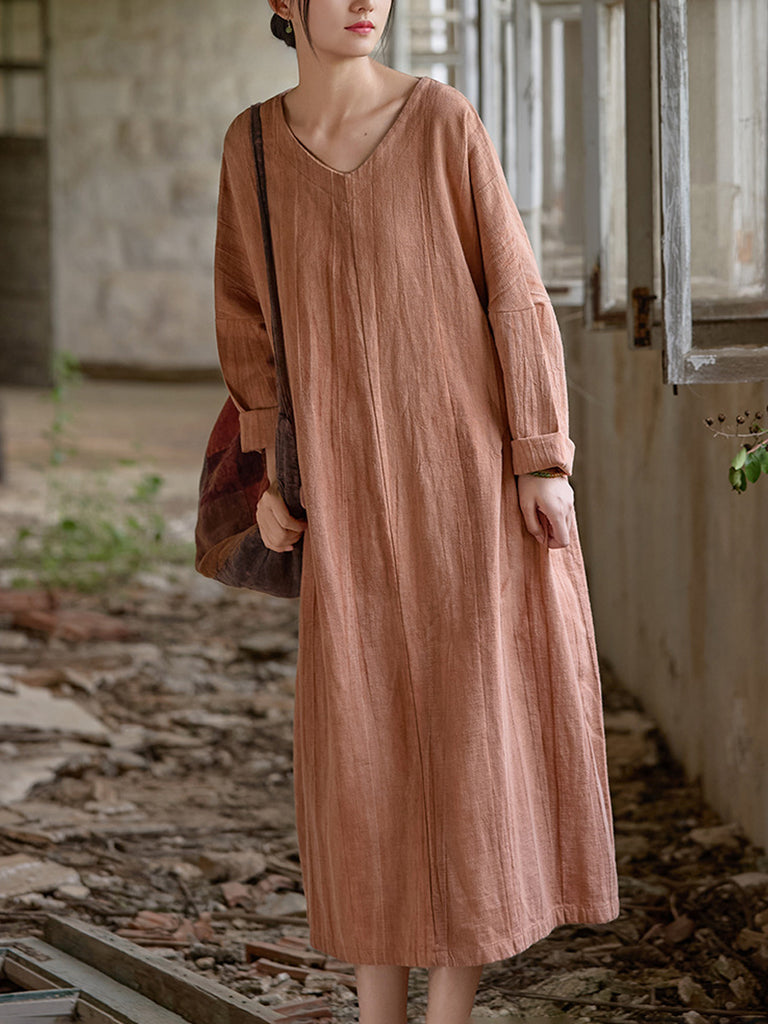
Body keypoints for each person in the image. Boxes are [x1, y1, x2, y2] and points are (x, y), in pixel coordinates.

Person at [212, 0, 621, 1020]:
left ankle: (448, 1014)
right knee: (363, 747)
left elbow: (515, 291)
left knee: (472, 734)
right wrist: (269, 480)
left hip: (465, 485)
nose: (368, 1)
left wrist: (540, 456)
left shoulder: (442, 120)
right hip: (342, 494)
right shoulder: (251, 148)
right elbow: (248, 324)